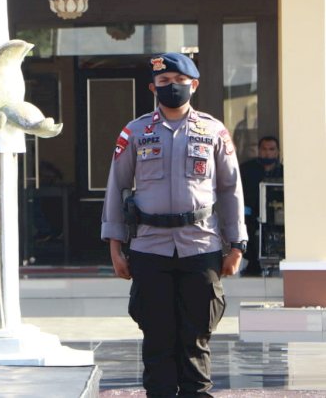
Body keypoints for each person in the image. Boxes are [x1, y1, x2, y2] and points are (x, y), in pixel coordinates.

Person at [101, 52, 248, 397]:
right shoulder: (135, 131)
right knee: (157, 337)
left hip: (202, 245)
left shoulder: (213, 131)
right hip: (149, 247)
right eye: (163, 82)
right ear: (153, 87)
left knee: (197, 337)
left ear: (193, 85)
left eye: (179, 81)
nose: (171, 87)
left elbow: (230, 190)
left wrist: (237, 245)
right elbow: (116, 187)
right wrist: (115, 248)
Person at [239, 136, 283, 276]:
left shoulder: (282, 171)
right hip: (249, 212)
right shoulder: (246, 169)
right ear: (259, 150)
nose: (267, 153)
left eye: (271, 149)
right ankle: (252, 266)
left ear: (277, 152)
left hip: (274, 213)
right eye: (264, 149)